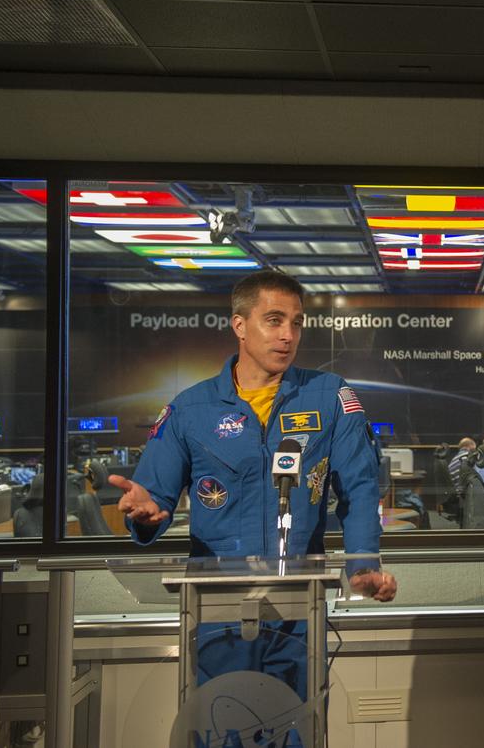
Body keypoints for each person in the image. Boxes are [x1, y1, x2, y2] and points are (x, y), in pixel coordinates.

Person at [108, 271, 396, 699]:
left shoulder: (330, 397)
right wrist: (147, 516)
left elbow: (359, 488)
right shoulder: (191, 409)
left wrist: (363, 564)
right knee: (221, 724)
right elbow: (155, 499)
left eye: (296, 323)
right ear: (239, 325)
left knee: (298, 726)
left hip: (300, 602)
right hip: (216, 604)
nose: (288, 336)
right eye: (274, 320)